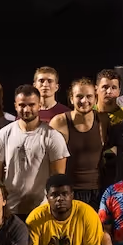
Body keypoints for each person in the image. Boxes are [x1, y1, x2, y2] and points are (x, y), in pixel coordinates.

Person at [0, 85, 69, 216]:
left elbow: (58, 180)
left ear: (40, 105)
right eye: (22, 105)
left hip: (42, 210)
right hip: (10, 210)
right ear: (15, 106)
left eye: (31, 105)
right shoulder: (4, 134)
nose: (26, 109)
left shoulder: (53, 136)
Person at [48, 78, 108, 209]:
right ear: (71, 98)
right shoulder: (59, 122)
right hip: (69, 192)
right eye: (79, 96)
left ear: (96, 98)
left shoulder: (102, 120)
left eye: (89, 96)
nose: (84, 101)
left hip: (97, 191)